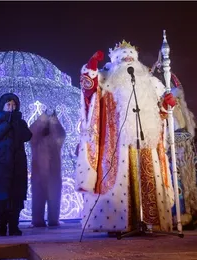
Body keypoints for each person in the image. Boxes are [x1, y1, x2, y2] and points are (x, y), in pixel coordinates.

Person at [75, 40, 177, 233]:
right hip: (116, 144)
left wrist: (166, 105)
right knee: (118, 180)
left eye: (130, 58)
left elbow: (160, 114)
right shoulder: (107, 79)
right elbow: (89, 91)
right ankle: (119, 224)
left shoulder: (150, 83)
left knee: (149, 177)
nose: (128, 63)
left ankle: (149, 222)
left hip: (146, 145)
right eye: (123, 59)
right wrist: (91, 67)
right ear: (115, 62)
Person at [152, 70, 197, 230]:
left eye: (178, 98)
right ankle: (179, 216)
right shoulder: (162, 114)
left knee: (194, 184)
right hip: (173, 153)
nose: (176, 102)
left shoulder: (188, 114)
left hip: (190, 154)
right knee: (176, 183)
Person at [0, 93, 32, 236]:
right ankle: (1, 226)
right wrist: (7, 123)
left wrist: (16, 124)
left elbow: (27, 136)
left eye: (13, 105)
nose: (11, 108)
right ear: (3, 106)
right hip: (0, 164)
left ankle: (14, 226)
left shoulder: (20, 121)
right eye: (8, 105)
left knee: (16, 196)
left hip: (18, 164)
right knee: (1, 196)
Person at [29, 111, 66, 227]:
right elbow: (32, 132)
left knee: (53, 197)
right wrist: (44, 118)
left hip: (52, 173)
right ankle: (38, 220)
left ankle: (53, 220)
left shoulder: (54, 140)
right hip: (39, 173)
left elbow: (60, 134)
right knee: (38, 197)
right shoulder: (36, 140)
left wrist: (53, 120)